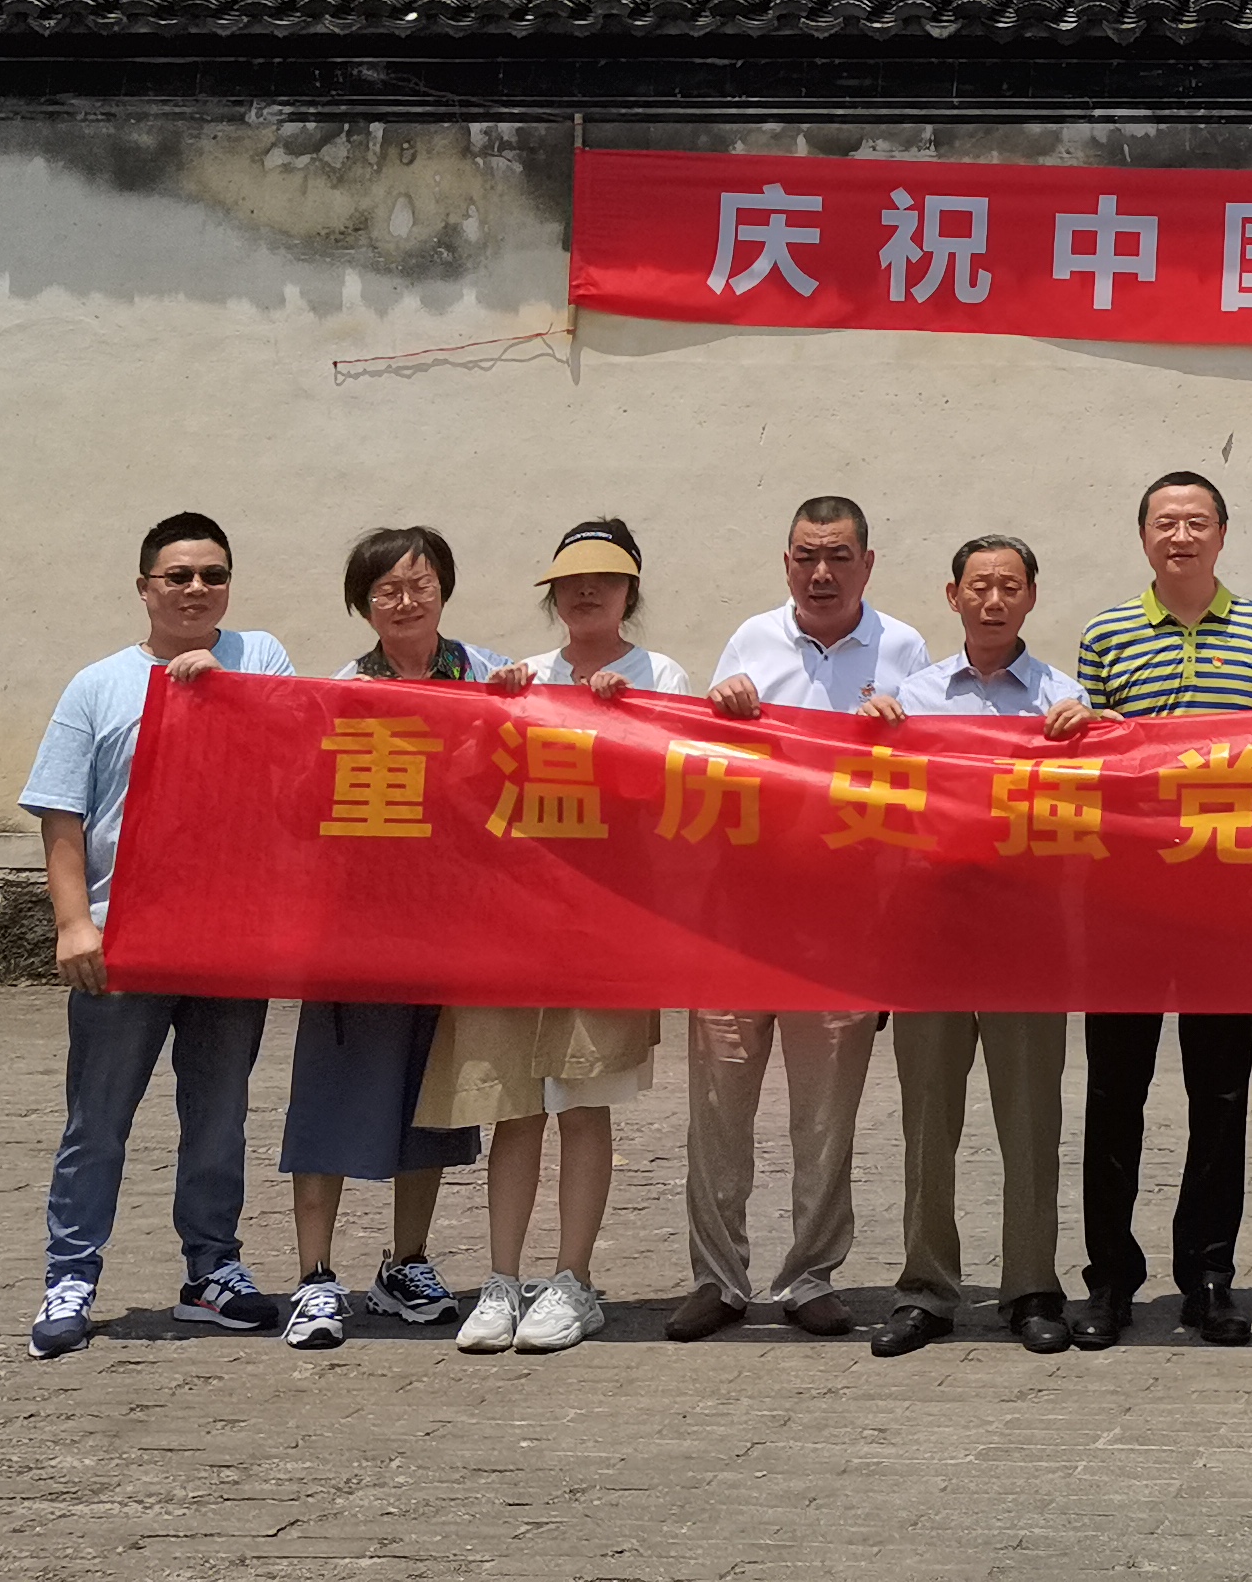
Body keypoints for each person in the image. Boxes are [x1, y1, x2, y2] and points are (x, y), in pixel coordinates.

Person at [18, 513, 292, 1357]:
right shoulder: (96, 686)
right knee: (98, 1120)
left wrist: (226, 689)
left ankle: (212, 1269)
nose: (197, 589)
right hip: (124, 937)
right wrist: (75, 924)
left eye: (214, 574)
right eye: (179, 576)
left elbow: (296, 752)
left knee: (218, 1115)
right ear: (145, 589)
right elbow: (62, 814)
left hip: (228, 937)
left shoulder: (261, 659)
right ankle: (71, 1275)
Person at [669, 494, 930, 1342]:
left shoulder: (903, 650)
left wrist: (898, 734)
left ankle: (811, 1275)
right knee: (718, 1110)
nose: (822, 573)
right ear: (786, 563)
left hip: (842, 927)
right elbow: (702, 769)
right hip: (737, 921)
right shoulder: (750, 640)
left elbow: (933, 783)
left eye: (838, 557)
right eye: (806, 557)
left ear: (867, 564)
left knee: (825, 1116)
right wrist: (722, 708)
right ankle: (717, 1279)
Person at [436, 519, 688, 1355]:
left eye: (605, 581)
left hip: (606, 928)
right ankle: (501, 1280)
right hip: (516, 925)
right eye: (571, 582)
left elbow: (674, 799)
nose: (586, 593)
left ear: (629, 591)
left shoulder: (660, 677)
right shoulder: (521, 677)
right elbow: (471, 792)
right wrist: (494, 712)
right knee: (513, 1106)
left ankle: (573, 1280)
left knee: (583, 1102)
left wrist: (630, 722)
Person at [274, 525, 499, 1346]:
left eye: (421, 583)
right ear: (364, 605)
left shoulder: (487, 676)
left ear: (444, 588)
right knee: (329, 1092)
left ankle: (406, 1262)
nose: (407, 601)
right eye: (388, 590)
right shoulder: (344, 689)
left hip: (447, 925)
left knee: (428, 1100)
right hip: (355, 926)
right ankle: (314, 1276)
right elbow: (303, 801)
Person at [1070, 468, 1252, 1346]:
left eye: (1197, 522)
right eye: (1165, 522)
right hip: (1125, 902)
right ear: (1144, 536)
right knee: (1114, 1093)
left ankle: (1210, 1275)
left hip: (1229, 902)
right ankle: (1110, 1279)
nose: (1181, 536)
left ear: (1222, 534)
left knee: (1220, 1096)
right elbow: (1091, 765)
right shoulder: (1106, 634)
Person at [878, 531, 1098, 1361]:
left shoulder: (1061, 698)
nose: (994, 599)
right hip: (931, 936)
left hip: (1027, 938)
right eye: (979, 586)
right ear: (953, 596)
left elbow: (1095, 810)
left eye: (1010, 586)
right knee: (926, 1122)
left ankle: (1031, 1285)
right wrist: (871, 733)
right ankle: (926, 1288)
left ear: (1031, 597)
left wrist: (1096, 736)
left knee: (1031, 1120)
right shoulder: (914, 697)